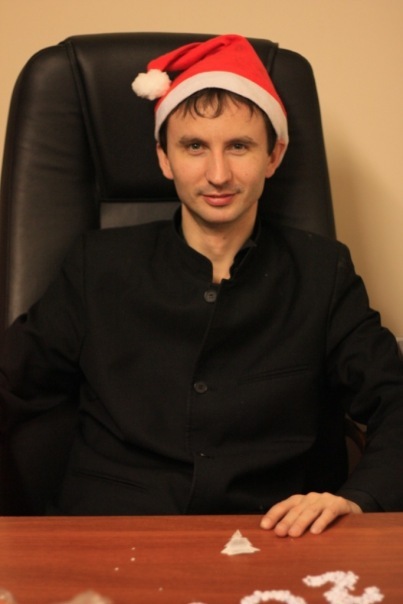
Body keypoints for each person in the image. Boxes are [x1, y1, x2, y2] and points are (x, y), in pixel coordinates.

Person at [1, 34, 403, 537]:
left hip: (275, 534)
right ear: (164, 158)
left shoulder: (323, 272)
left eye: (239, 146)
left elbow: (395, 400)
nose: (218, 174)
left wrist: (359, 499)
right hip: (107, 531)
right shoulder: (96, 265)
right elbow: (11, 380)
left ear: (273, 156)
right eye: (194, 146)